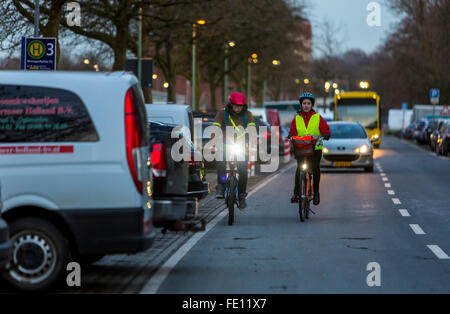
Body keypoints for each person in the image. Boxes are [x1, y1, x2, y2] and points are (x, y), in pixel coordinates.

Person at [212, 92, 256, 209]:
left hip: (241, 146)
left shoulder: (248, 115)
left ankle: (242, 195)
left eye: (240, 106)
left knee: (242, 169)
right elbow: (215, 128)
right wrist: (213, 143)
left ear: (244, 106)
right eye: (236, 105)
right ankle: (221, 186)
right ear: (231, 104)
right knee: (221, 162)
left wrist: (252, 144)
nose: (238, 108)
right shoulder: (222, 114)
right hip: (226, 144)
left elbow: (252, 129)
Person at [288, 92, 331, 205]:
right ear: (301, 105)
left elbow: (325, 128)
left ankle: (316, 193)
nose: (306, 105)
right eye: (304, 103)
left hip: (315, 148)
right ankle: (296, 193)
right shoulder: (296, 118)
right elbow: (292, 130)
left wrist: (326, 134)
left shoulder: (317, 117)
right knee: (299, 169)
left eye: (308, 103)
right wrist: (290, 135)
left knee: (315, 168)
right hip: (301, 148)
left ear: (312, 105)